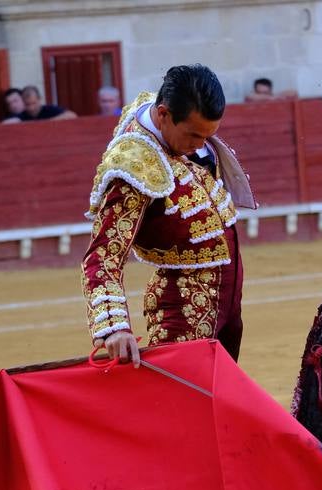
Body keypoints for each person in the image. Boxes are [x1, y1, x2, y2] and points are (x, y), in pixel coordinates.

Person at [82, 63, 256, 367]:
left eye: (208, 136)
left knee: (218, 399)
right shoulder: (133, 169)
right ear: (163, 115)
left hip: (227, 300)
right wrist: (114, 326)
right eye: (193, 135)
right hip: (184, 310)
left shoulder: (163, 112)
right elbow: (103, 255)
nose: (200, 147)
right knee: (180, 404)